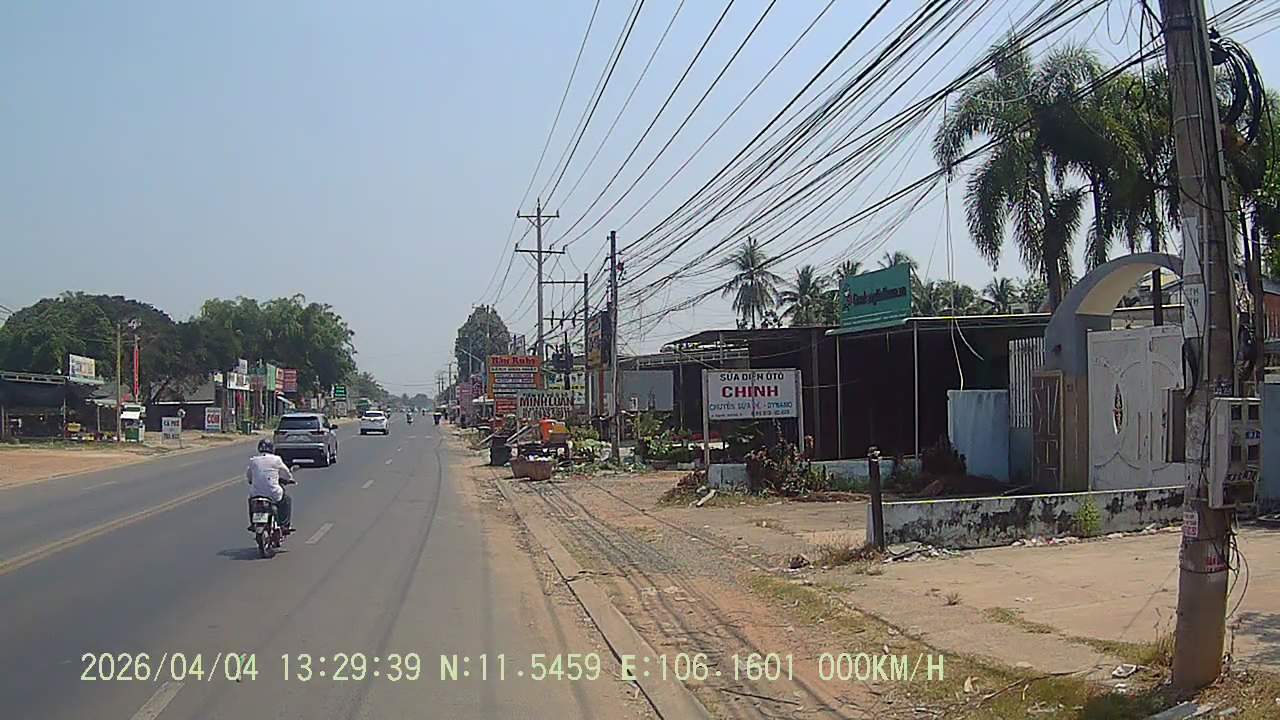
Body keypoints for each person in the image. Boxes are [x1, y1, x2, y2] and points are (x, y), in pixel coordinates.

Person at [246, 439, 295, 532]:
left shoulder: (253, 460)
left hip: (256, 493)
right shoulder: (276, 459)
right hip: (273, 493)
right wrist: (290, 479)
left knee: (251, 501)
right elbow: (286, 473)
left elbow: (249, 475)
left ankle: (253, 523)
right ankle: (284, 525)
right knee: (286, 499)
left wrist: (251, 480)